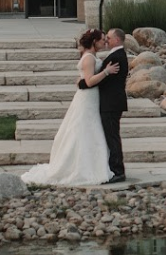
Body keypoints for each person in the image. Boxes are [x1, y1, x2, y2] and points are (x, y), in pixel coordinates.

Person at [20, 28, 118, 186]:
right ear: (94, 41)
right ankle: (80, 167)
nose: (104, 42)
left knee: (89, 128)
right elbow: (89, 81)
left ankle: (93, 163)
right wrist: (106, 72)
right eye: (101, 39)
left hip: (92, 97)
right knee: (84, 127)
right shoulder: (89, 58)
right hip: (88, 98)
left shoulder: (91, 56)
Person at [77, 27, 129, 183]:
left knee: (112, 136)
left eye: (109, 38)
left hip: (111, 103)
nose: (106, 40)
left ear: (117, 40)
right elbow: (94, 78)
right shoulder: (114, 55)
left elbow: (97, 81)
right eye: (104, 38)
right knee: (110, 136)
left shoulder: (117, 57)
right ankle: (112, 168)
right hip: (106, 102)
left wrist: (82, 83)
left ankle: (118, 170)